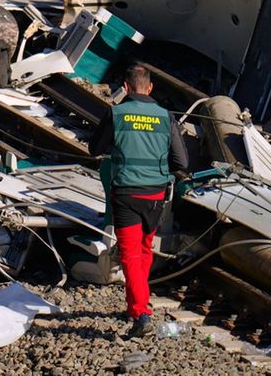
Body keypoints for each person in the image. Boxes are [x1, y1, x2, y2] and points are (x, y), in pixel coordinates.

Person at [88, 63, 189, 339]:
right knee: (144, 248)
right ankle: (140, 304)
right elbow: (181, 162)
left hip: (127, 194)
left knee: (130, 253)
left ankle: (141, 313)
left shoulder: (116, 113)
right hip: (156, 195)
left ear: (127, 87)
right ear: (150, 88)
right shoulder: (166, 116)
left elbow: (94, 149)